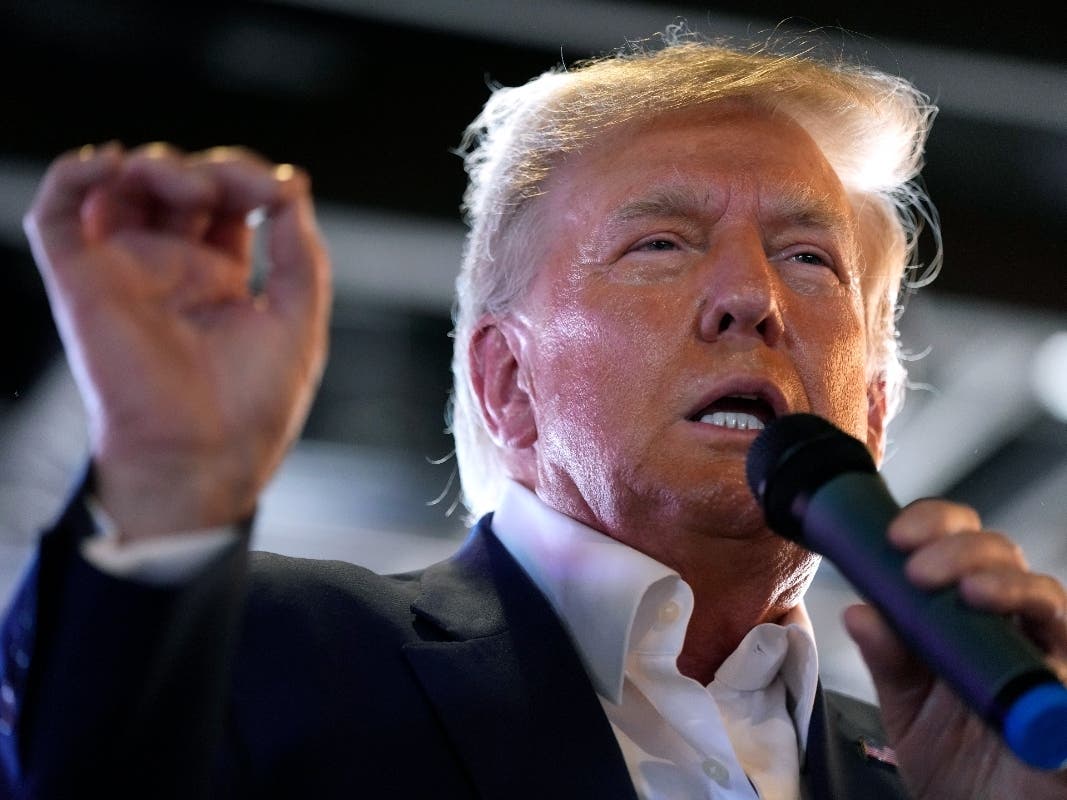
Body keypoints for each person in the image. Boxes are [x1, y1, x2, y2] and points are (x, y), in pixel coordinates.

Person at [2, 28, 1065, 800]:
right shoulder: (263, 652)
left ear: (872, 411)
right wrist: (166, 475)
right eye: (660, 243)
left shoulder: (948, 768)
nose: (754, 297)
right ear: (507, 384)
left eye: (807, 257)